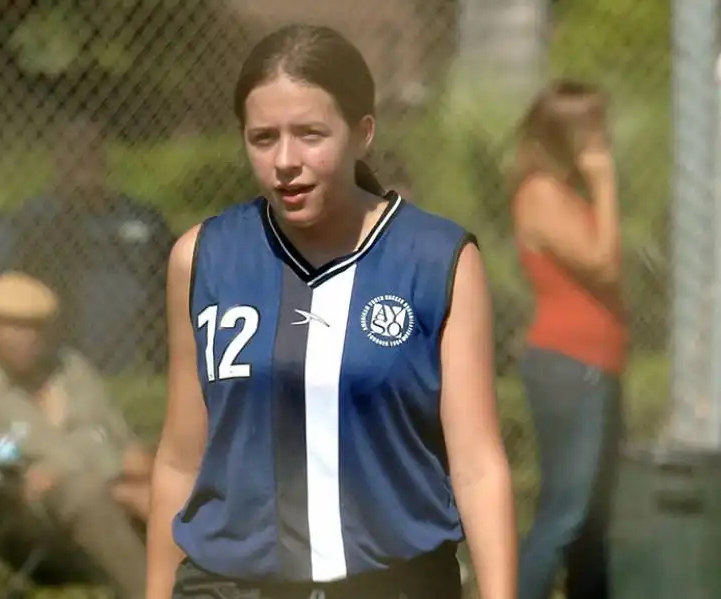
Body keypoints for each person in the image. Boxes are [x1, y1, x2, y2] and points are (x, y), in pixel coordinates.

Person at [147, 24, 516, 599]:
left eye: (311, 134)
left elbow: (477, 466)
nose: (285, 160)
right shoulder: (202, 258)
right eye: (263, 137)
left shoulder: (438, 259)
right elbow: (178, 460)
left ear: (362, 134)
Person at [0, 272, 152, 599]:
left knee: (178, 482)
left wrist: (69, 466)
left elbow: (122, 443)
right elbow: (5, 469)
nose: (27, 337)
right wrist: (107, 471)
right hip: (31, 528)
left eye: (37, 326)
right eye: (14, 326)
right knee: (84, 491)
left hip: (110, 503)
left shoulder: (72, 370)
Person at [510, 80, 627, 599]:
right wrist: (605, 182)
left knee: (592, 524)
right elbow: (604, 263)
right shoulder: (539, 193)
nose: (603, 139)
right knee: (566, 513)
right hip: (568, 366)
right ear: (566, 135)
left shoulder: (565, 193)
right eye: (593, 129)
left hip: (596, 366)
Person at [0, 117, 174, 374]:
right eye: (72, 149)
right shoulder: (34, 220)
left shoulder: (142, 218)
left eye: (92, 149)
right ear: (56, 160)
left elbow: (175, 278)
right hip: (59, 354)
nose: (83, 158)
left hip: (139, 355)